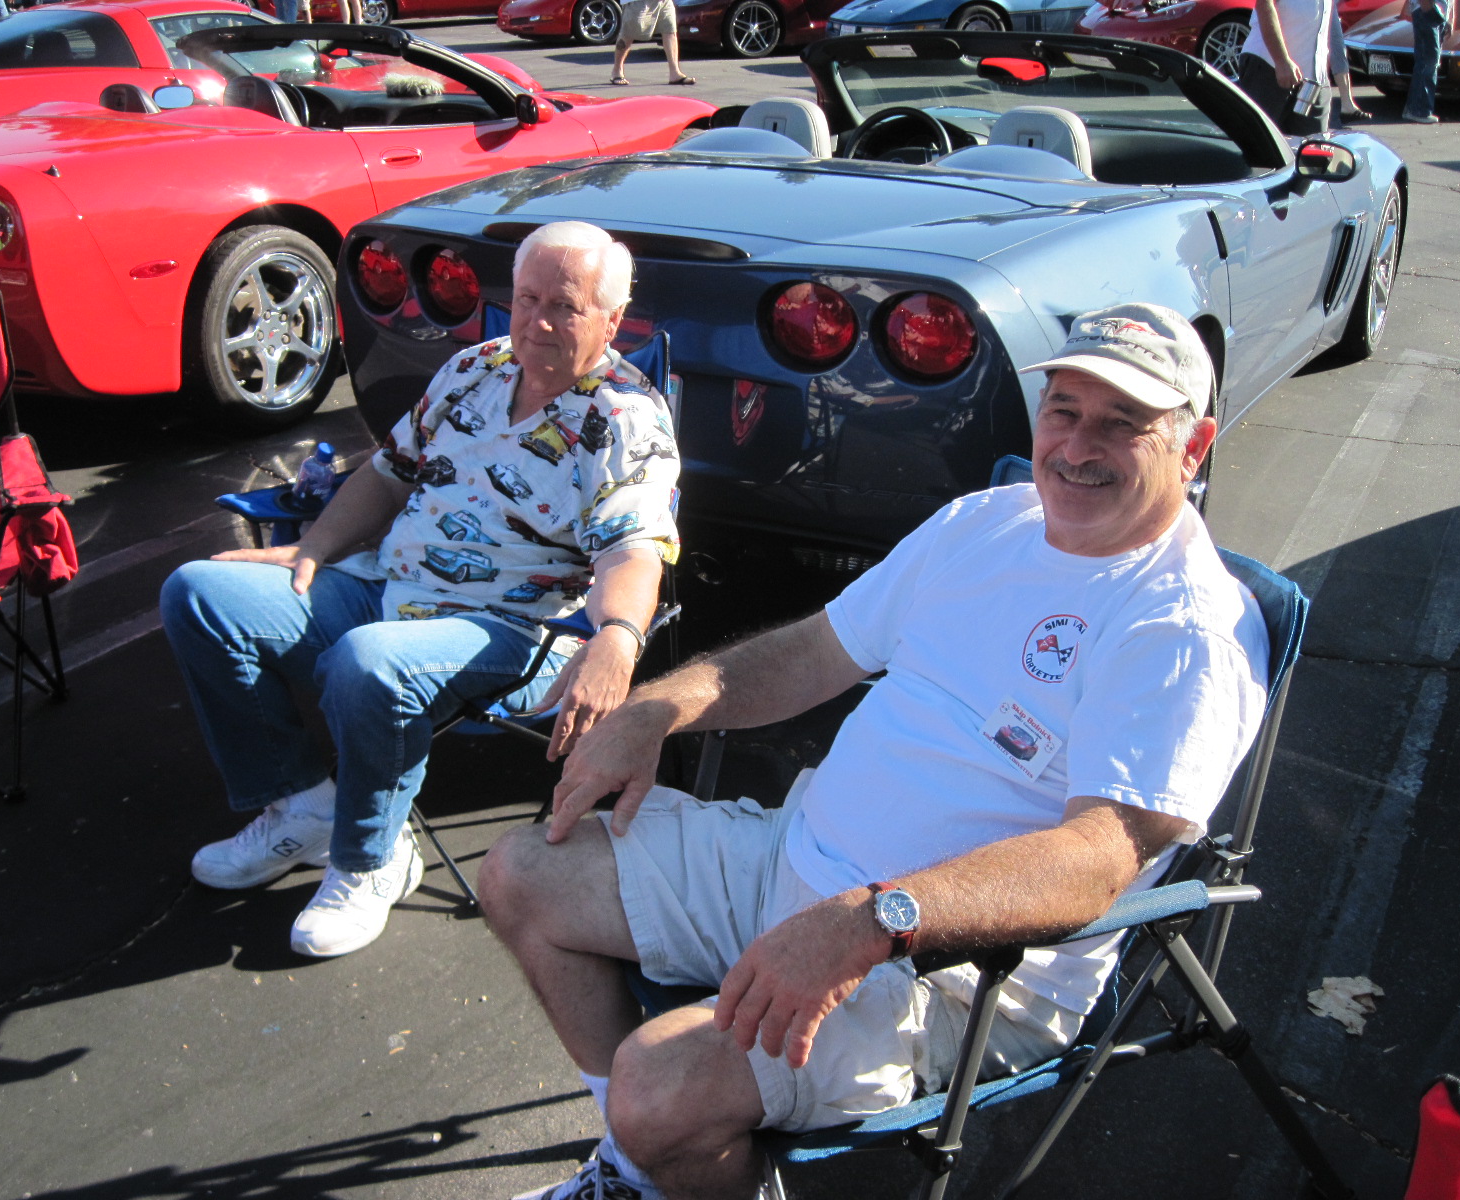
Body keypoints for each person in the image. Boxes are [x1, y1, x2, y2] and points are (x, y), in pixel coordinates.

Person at [480, 303, 1271, 1200]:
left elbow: (1096, 860)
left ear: (1193, 444)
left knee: (659, 1084)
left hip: (948, 974)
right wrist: (657, 708)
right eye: (1065, 409)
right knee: (521, 874)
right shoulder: (991, 520)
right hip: (796, 863)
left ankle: (653, 1134)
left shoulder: (1182, 627)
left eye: (1124, 423)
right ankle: (643, 1167)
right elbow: (818, 649)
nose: (1078, 446)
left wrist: (874, 920)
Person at [161, 221, 680, 960]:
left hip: (513, 629)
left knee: (369, 662)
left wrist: (619, 640)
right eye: (526, 298)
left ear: (612, 320)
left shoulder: (624, 420)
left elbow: (636, 549)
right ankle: (306, 807)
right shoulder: (476, 367)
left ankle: (373, 860)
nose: (535, 322)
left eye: (563, 307)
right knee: (200, 594)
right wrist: (311, 549)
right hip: (390, 586)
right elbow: (387, 473)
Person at [1235, 0, 1333, 135]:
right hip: (1269, 66)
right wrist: (1281, 61)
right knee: (1259, 143)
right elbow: (1265, 5)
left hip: (1313, 77)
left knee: (1313, 149)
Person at [610, 0, 694, 87]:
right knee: (628, 34)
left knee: (670, 32)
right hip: (638, 2)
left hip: (664, 2)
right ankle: (617, 71)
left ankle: (675, 73)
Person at [1402, 0, 1452, 123]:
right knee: (1427, 62)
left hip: (1437, 12)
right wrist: (1427, 6)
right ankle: (1418, 110)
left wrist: (1448, 18)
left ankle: (1414, 108)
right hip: (1428, 10)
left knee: (1430, 62)